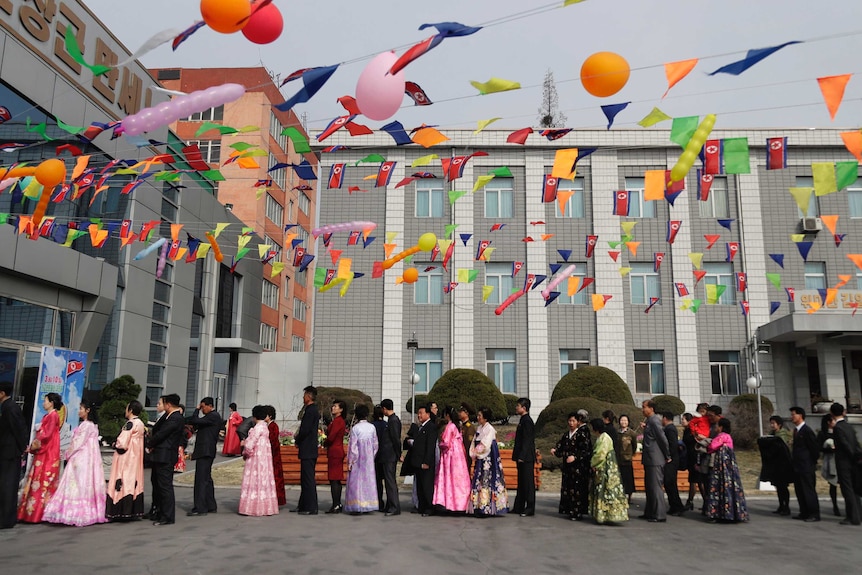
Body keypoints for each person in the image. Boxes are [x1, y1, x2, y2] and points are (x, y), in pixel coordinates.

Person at [43, 399, 107, 527]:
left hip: (80, 458)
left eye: (81, 409)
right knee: (84, 485)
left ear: (87, 410)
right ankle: (88, 511)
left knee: (75, 484)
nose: (79, 411)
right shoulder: (93, 426)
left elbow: (77, 443)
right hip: (89, 459)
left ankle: (73, 512)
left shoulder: (86, 426)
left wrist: (68, 454)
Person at [18, 392, 63, 523]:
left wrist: (33, 444)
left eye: (46, 401)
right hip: (45, 452)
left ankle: (37, 513)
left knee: (42, 480)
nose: (44, 403)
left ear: (51, 403)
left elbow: (46, 435)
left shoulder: (53, 416)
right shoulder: (49, 416)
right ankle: (34, 513)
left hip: (47, 454)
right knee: (39, 480)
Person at [147, 393, 185, 526]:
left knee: (165, 487)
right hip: (160, 455)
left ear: (168, 404)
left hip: (166, 456)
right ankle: (158, 511)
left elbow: (162, 434)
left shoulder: (175, 418)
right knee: (157, 485)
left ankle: (167, 516)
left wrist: (149, 444)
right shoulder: (168, 416)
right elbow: (158, 429)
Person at [106, 400, 146, 521]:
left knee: (122, 480)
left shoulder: (130, 424)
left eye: (127, 408)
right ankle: (132, 511)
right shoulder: (140, 423)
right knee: (132, 481)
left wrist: (114, 444)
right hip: (135, 457)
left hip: (126, 457)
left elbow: (122, 442)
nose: (125, 410)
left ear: (131, 410)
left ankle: (119, 511)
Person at [704, 418, 748, 523]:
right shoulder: (727, 437)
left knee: (721, 486)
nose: (715, 427)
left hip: (723, 467)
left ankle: (721, 513)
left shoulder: (722, 436)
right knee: (729, 487)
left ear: (721, 427)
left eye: (717, 425)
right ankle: (730, 512)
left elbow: (712, 446)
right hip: (728, 467)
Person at [551, 410, 592, 520]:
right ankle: (569, 509)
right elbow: (561, 446)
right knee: (568, 487)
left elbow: (587, 450)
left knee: (577, 488)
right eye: (569, 421)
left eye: (573, 421)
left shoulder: (582, 434)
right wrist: (556, 450)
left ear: (578, 422)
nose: (571, 423)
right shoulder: (566, 435)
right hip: (567, 467)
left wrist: (575, 457)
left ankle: (577, 511)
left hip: (578, 467)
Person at [238, 405, 279, 517]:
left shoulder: (256, 429)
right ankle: (266, 507)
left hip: (255, 460)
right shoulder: (265, 427)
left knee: (254, 481)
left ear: (254, 416)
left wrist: (244, 446)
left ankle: (252, 507)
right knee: (264, 481)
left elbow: (250, 446)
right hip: (264, 459)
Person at [468, 407, 508, 517]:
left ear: (485, 418)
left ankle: (486, 506)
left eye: (480, 416)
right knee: (479, 479)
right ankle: (479, 505)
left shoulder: (489, 429)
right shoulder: (480, 428)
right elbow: (474, 441)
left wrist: (476, 451)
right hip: (480, 458)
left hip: (488, 459)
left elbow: (485, 444)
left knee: (487, 479)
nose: (478, 417)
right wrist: (473, 452)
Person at [588, 418, 629, 525]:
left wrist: (593, 463)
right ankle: (604, 514)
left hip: (605, 467)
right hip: (607, 466)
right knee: (605, 490)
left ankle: (606, 514)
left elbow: (600, 455)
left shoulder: (604, 438)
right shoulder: (603, 437)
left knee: (605, 489)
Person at [187, 397, 222, 516]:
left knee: (201, 480)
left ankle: (200, 507)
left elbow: (195, 420)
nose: (202, 410)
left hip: (205, 451)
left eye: (202, 407)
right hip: (206, 451)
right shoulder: (210, 417)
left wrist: (196, 410)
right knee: (206, 479)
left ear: (209, 406)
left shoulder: (214, 416)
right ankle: (210, 505)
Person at [0, 381, 27, 530]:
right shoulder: (6, 407)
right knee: (5, 484)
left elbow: (19, 428)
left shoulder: (10, 408)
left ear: (3, 393)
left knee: (8, 485)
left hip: (10, 453)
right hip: (6, 452)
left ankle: (7, 519)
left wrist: (23, 447)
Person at [433, 407, 471, 513]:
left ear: (447, 415)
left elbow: (446, 443)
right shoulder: (457, 426)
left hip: (450, 456)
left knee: (448, 478)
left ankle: (450, 503)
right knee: (458, 479)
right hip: (458, 456)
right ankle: (460, 503)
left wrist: (439, 444)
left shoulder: (450, 427)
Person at [829, 403, 862, 526]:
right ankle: (858, 514)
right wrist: (858, 457)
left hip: (844, 462)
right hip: (854, 462)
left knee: (847, 489)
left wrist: (851, 456)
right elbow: (856, 443)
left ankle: (852, 517)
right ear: (843, 412)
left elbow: (844, 445)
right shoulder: (849, 426)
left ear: (832, 413)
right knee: (855, 489)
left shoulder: (837, 428)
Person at [344, 404, 379, 514]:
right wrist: (371, 457)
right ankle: (369, 504)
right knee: (369, 481)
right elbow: (375, 445)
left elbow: (353, 447)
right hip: (368, 460)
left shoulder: (355, 428)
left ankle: (357, 504)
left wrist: (351, 461)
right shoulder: (372, 427)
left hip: (358, 460)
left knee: (357, 482)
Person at [640, 400, 670, 523]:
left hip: (655, 458)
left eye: (644, 407)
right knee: (649, 487)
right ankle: (650, 512)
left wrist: (667, 454)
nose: (642, 410)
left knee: (655, 487)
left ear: (651, 408)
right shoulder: (649, 421)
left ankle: (659, 514)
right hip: (649, 458)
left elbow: (662, 439)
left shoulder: (655, 420)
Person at [757, 415, 793, 516]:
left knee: (783, 487)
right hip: (775, 465)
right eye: (771, 423)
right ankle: (781, 505)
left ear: (779, 424)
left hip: (783, 465)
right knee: (778, 486)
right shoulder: (771, 434)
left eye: (774, 423)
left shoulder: (783, 434)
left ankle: (786, 506)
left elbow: (783, 447)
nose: (772, 425)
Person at [789, 406, 820, 522]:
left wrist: (811, 462)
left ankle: (814, 513)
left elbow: (814, 449)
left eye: (793, 414)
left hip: (806, 466)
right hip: (797, 467)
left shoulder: (807, 431)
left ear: (800, 415)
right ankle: (804, 512)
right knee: (800, 490)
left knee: (808, 490)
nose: (792, 417)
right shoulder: (796, 431)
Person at [294, 386, 320, 515]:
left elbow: (305, 429)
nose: (303, 398)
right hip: (309, 449)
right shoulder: (311, 410)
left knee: (308, 478)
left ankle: (311, 506)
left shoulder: (311, 411)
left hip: (308, 449)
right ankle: (303, 505)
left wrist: (297, 439)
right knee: (305, 478)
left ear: (309, 396)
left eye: (304, 395)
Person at [410, 404, 438, 516]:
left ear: (428, 414)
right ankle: (421, 506)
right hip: (418, 462)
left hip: (426, 463)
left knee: (427, 485)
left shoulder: (431, 427)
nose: (419, 415)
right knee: (420, 486)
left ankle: (429, 507)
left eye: (421, 413)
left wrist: (426, 462)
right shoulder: (421, 427)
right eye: (418, 413)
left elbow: (430, 447)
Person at [511, 397, 536, 517]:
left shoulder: (527, 421)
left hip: (526, 458)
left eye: (518, 406)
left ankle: (530, 507)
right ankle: (518, 506)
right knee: (521, 482)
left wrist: (522, 455)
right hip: (521, 456)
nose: (516, 407)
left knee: (528, 483)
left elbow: (527, 440)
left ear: (524, 408)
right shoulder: (522, 420)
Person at [379, 399, 402, 516]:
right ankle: (390, 505)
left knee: (390, 482)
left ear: (384, 409)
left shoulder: (393, 421)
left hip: (390, 456)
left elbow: (395, 439)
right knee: (388, 481)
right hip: (387, 456)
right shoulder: (391, 420)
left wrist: (399, 454)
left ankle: (394, 507)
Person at [324, 399, 347, 514]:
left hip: (335, 451)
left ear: (341, 410)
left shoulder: (338, 421)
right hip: (336, 451)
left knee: (334, 479)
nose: (333, 408)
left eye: (335, 406)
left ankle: (336, 504)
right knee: (335, 479)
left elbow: (332, 437)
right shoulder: (337, 421)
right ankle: (337, 503)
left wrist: (325, 442)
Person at [661, 412, 685, 516]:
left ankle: (677, 507)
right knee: (668, 484)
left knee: (670, 483)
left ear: (665, 418)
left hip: (671, 461)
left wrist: (668, 456)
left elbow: (672, 444)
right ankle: (673, 506)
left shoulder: (670, 429)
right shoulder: (670, 428)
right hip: (671, 460)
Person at [817, 413, 841, 517]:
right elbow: (819, 447)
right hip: (830, 460)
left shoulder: (838, 431)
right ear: (829, 422)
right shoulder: (822, 434)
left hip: (839, 459)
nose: (835, 422)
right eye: (833, 420)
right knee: (833, 484)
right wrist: (829, 449)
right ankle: (835, 506)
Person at [265, 406, 287, 507]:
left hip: (274, 456)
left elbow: (272, 441)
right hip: (273, 455)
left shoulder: (273, 426)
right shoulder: (270, 426)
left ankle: (277, 498)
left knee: (275, 477)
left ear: (269, 416)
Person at [617, 414, 638, 505]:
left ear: (628, 422)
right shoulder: (617, 433)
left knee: (628, 478)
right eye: (622, 420)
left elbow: (634, 445)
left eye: (625, 420)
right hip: (618, 458)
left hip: (627, 459)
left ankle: (629, 496)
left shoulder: (632, 433)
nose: (623, 422)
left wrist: (631, 454)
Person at [680, 413, 700, 511]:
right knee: (693, 480)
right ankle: (690, 501)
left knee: (695, 480)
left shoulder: (692, 431)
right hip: (690, 457)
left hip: (694, 458)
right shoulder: (687, 431)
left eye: (683, 419)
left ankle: (690, 501)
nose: (681, 421)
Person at [458, 405, 476, 476]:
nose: (459, 414)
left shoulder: (469, 427)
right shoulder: (462, 426)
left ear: (466, 413)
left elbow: (469, 443)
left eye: (461, 412)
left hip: (466, 454)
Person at [174, 404, 188, 473]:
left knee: (180, 453)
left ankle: (179, 467)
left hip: (180, 438)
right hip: (176, 438)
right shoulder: (176, 418)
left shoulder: (181, 419)